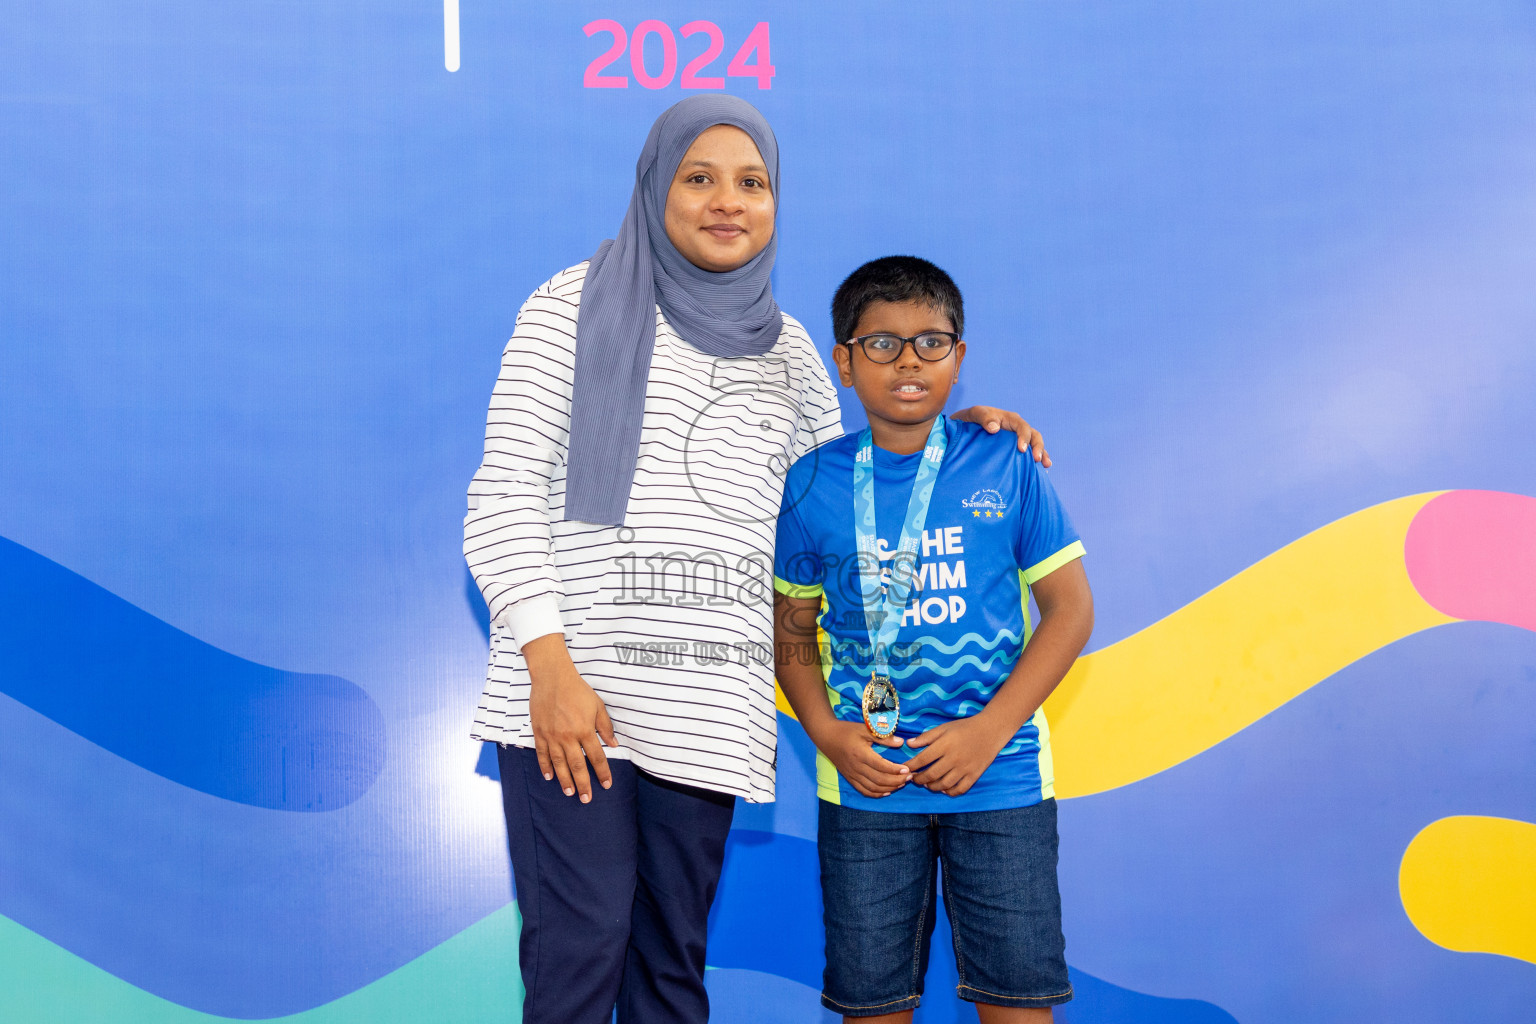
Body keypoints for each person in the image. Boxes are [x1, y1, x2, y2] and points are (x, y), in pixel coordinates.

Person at [464, 98, 1051, 1024]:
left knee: (669, 973)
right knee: (579, 956)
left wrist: (962, 436)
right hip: (576, 702)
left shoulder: (791, 359)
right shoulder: (569, 307)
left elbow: (846, 500)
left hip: (705, 710)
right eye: (699, 177)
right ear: (657, 187)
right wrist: (548, 665)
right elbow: (501, 497)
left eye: (753, 182)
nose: (726, 201)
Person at [773, 256, 1095, 1022]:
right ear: (844, 363)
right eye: (881, 344)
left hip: (1001, 776)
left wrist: (989, 731)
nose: (908, 360)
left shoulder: (1005, 461)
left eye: (931, 341)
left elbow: (1072, 612)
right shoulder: (811, 483)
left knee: (1019, 1001)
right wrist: (826, 733)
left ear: (959, 356)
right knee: (871, 1004)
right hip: (864, 783)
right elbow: (789, 632)